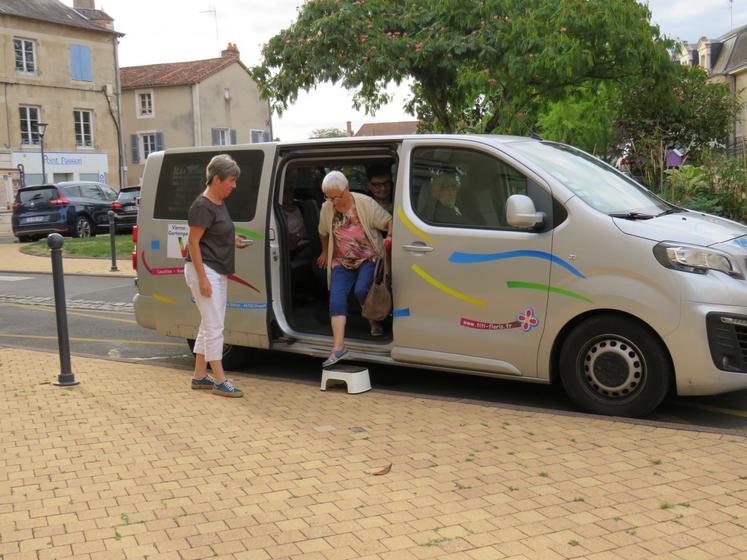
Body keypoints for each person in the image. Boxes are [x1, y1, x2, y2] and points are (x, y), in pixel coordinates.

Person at [184, 154, 249, 397]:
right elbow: (193, 243)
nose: (234, 185)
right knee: (214, 326)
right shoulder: (202, 205)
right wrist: (202, 279)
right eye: (231, 180)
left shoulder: (218, 202)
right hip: (205, 270)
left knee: (209, 323)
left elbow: (215, 232)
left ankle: (200, 376)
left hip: (216, 269)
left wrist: (234, 240)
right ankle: (220, 380)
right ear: (217, 179)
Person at [317, 170, 392, 367]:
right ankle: (338, 349)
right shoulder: (327, 208)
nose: (333, 202)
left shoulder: (365, 203)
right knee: (336, 300)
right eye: (329, 197)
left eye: (337, 197)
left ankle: (372, 319)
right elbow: (322, 231)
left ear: (347, 188)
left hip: (368, 258)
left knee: (361, 290)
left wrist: (389, 240)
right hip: (341, 261)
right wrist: (325, 252)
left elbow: (389, 222)